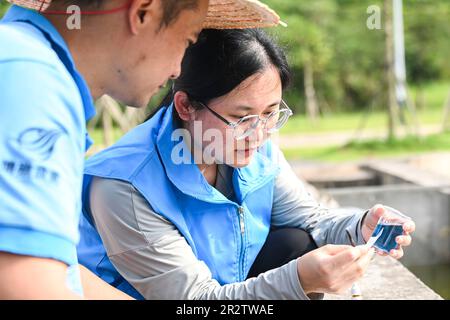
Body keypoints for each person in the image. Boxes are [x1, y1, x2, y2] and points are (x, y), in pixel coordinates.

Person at [77, 28, 416, 300]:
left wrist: (360, 226)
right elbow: (194, 299)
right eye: (241, 118)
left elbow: (310, 218)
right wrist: (298, 280)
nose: (259, 133)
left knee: (296, 242)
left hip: (228, 287)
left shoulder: (253, 149)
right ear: (185, 107)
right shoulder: (123, 185)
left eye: (271, 113)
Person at [0, 0, 281, 299]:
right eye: (185, 41)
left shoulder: (26, 61)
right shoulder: (31, 80)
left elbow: (59, 268)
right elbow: (26, 283)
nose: (177, 70)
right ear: (143, 13)